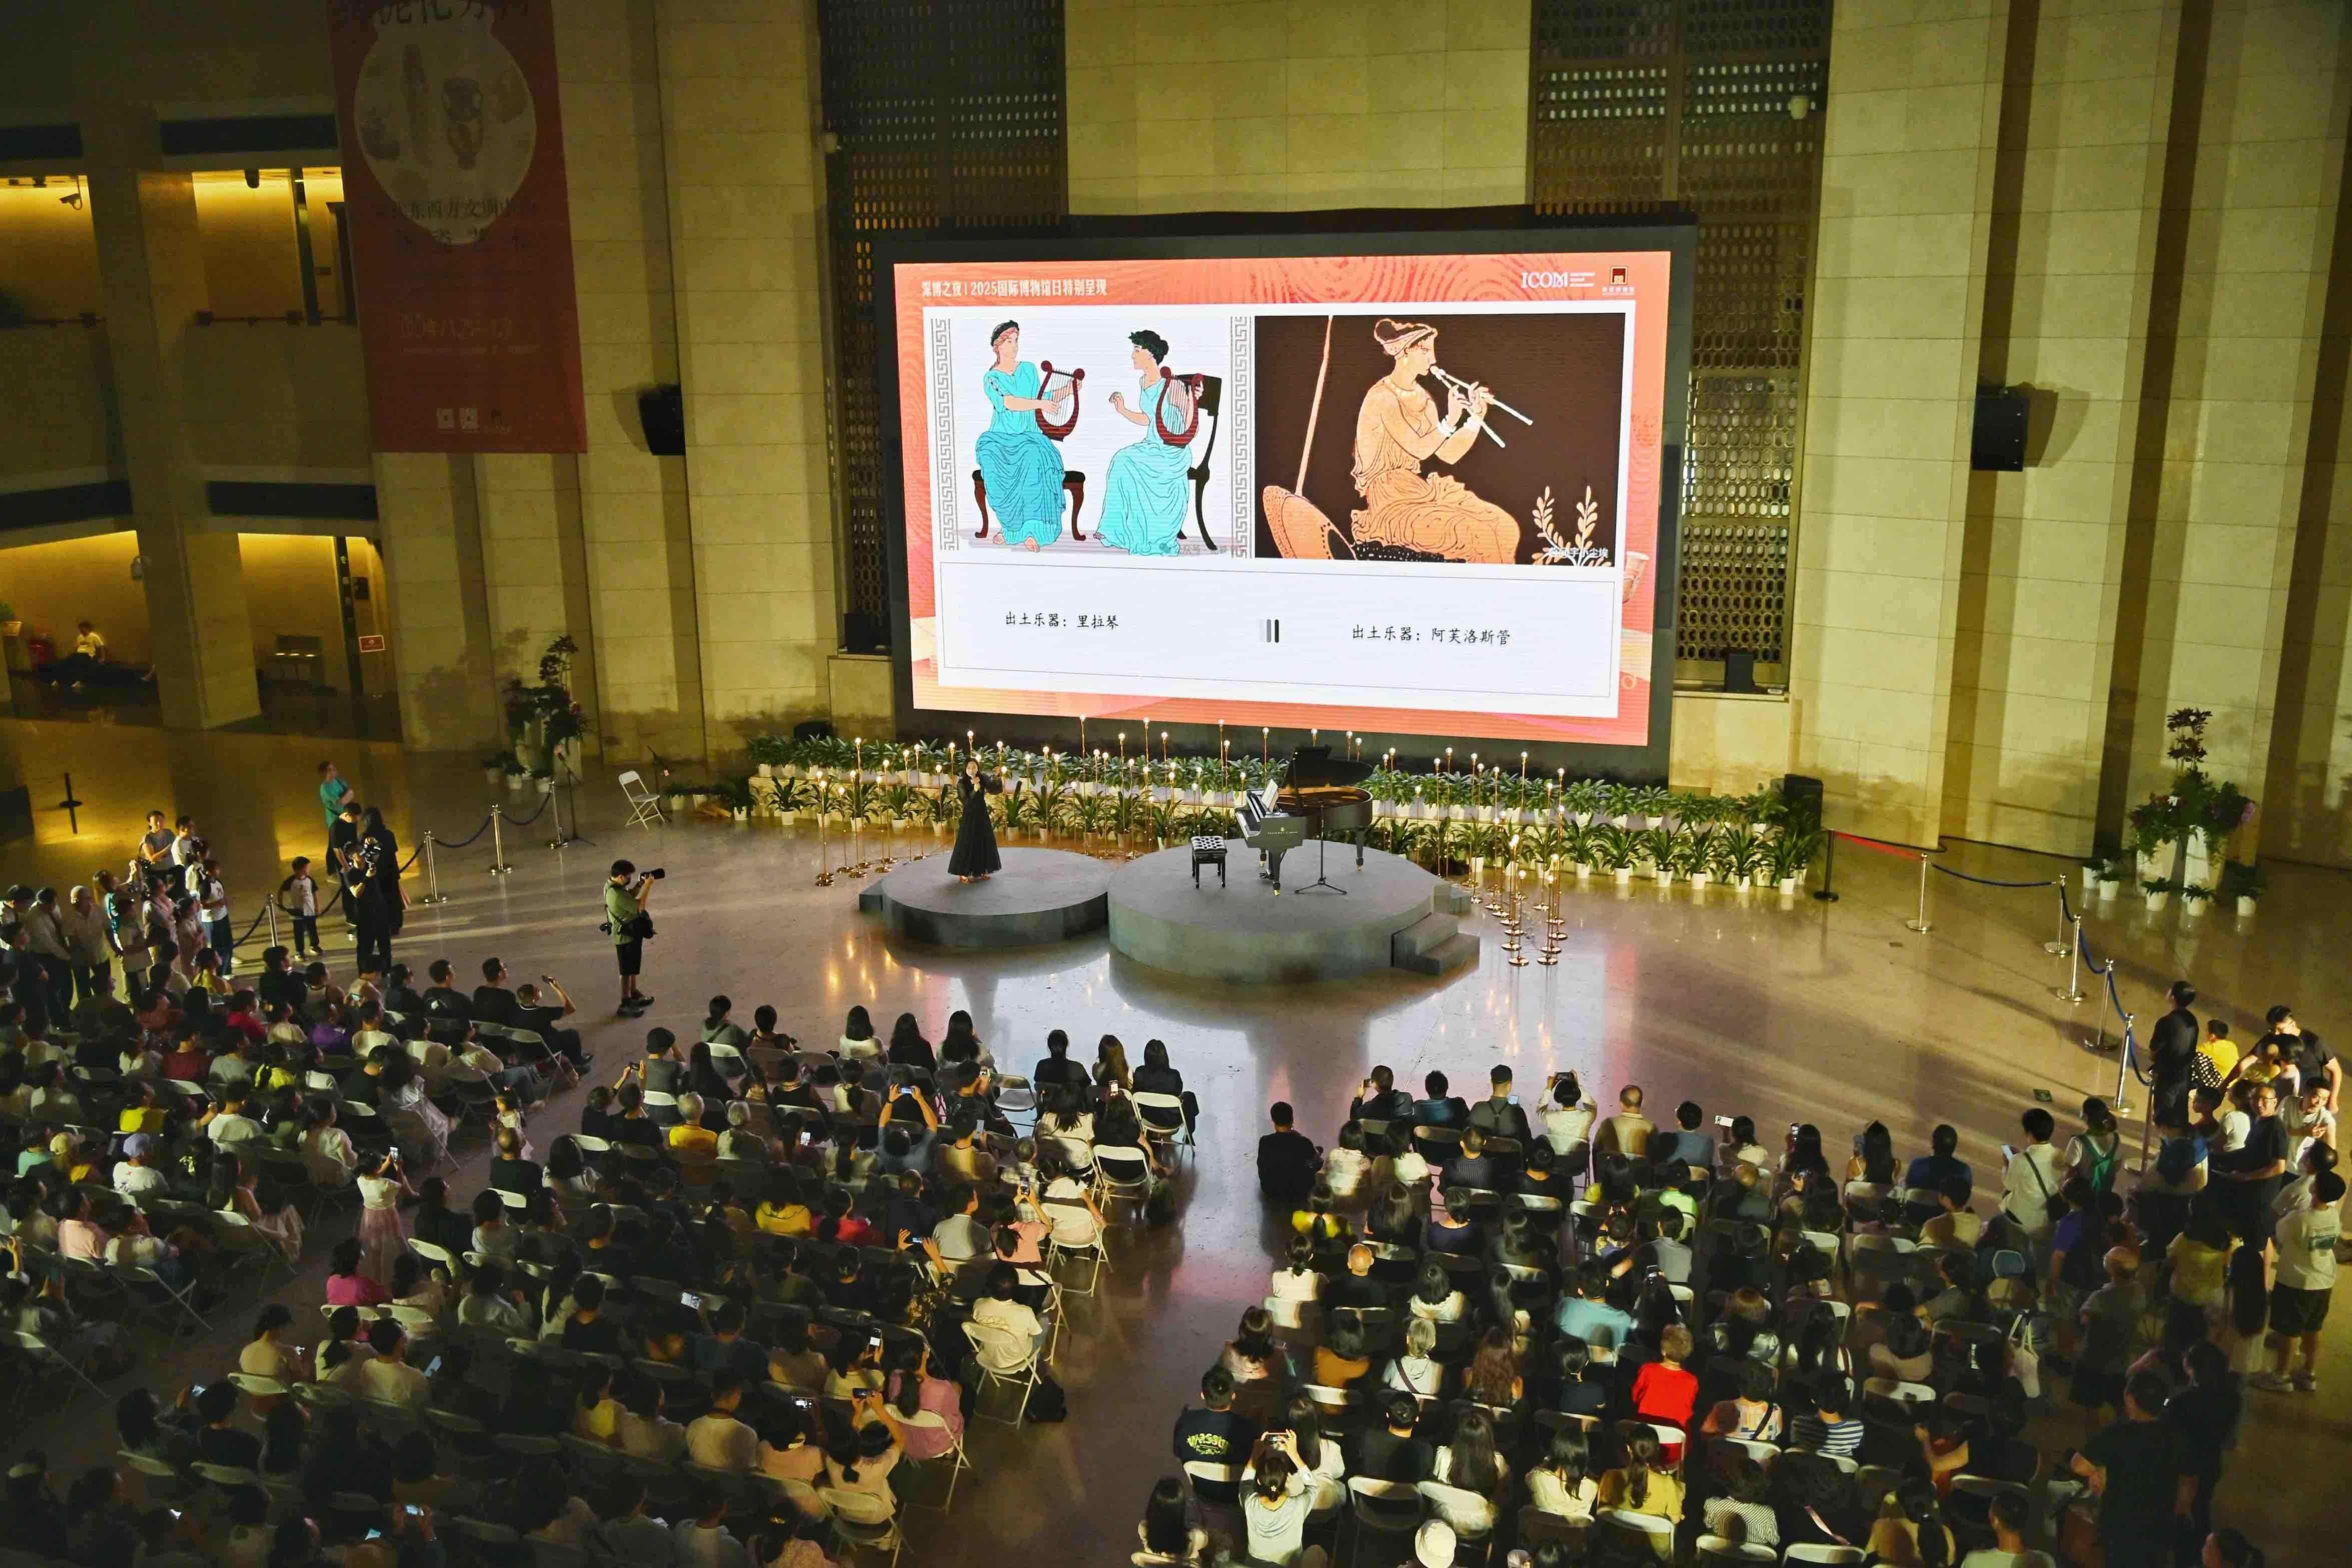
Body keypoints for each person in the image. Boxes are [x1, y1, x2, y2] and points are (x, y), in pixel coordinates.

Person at [1340, 318, 1514, 563]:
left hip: (1420, 491)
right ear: (1405, 352)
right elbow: (1419, 449)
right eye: (1425, 350)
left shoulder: (1424, 399)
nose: (1433, 359)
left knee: (1505, 527)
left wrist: (1476, 417)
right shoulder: (1381, 397)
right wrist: (1450, 421)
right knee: (1478, 534)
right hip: (1391, 502)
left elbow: (1448, 455)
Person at [2069, 1369, 2192, 1565]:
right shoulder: (2177, 1436)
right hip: (2160, 1524)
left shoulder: (2117, 1434)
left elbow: (2079, 1466)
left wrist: (2100, 1470)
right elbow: (2188, 1483)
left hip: (2120, 1523)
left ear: (2130, 1399)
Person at [1093, 329, 1195, 556]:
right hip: (1153, 445)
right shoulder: (1143, 382)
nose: (1133, 355)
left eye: (1137, 350)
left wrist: (1192, 400)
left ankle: (1150, 534)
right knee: (1121, 460)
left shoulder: (1172, 385)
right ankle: (1121, 530)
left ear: (1150, 354)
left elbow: (1190, 425)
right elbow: (1148, 419)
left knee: (1125, 460)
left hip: (1173, 451)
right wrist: (1122, 409)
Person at [2248, 1148, 2342, 1391]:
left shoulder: (2298, 1219)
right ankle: (2309, 1373)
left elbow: (2278, 1235)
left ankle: (2281, 1376)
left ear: (2315, 1190)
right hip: (2324, 1280)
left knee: (2289, 1332)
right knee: (2313, 1328)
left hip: (2296, 1281)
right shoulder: (2334, 1217)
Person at [974, 320, 1072, 549]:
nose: (1015, 346)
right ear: (997, 346)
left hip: (1030, 437)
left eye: (1016, 340)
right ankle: (1012, 530)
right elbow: (1009, 402)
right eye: (1009, 341)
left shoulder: (1028, 369)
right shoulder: (991, 378)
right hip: (1000, 439)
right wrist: (1040, 403)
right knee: (989, 456)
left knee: (1032, 455)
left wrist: (1068, 390)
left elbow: (1043, 397)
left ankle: (1034, 532)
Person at [601, 860, 657, 1015]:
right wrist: (648, 887)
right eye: (628, 877)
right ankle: (625, 1003)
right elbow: (640, 907)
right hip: (625, 936)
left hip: (631, 932)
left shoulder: (612, 886)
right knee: (626, 970)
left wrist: (639, 886)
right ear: (620, 876)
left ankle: (633, 993)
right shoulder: (616, 893)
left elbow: (628, 898)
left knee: (633, 966)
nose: (629, 880)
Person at [2150, 980, 2201, 1122]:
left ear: (2173, 998)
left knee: (2164, 1116)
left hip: (2167, 1077)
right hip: (2184, 1076)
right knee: (2179, 1114)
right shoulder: (2192, 1020)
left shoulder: (2165, 1022)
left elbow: (2153, 1052)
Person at [947, 759, 1005, 882]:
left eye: (974, 767)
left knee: (983, 840)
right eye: (969, 768)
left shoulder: (982, 778)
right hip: (969, 814)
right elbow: (966, 801)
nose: (972, 770)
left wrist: (997, 776)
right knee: (968, 841)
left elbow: (994, 790)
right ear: (965, 769)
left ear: (978, 768)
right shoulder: (962, 783)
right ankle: (963, 873)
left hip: (982, 813)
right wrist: (975, 790)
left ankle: (982, 870)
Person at [1257, 1101, 1319, 1205]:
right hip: (1299, 1191)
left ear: (1273, 1120)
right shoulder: (1303, 1142)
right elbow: (1316, 1159)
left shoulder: (1264, 1141)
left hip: (1270, 1190)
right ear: (1292, 1120)